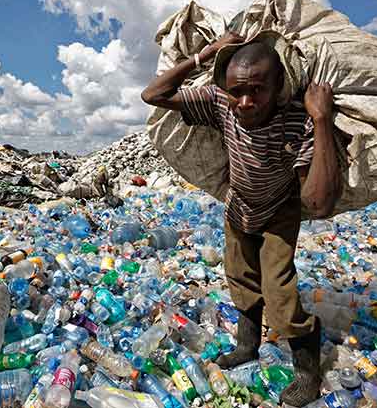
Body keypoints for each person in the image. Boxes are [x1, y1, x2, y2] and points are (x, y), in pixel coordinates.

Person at [141, 32, 342, 406]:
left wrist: (322, 119)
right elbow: (153, 95)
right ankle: (246, 347)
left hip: (279, 211)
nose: (246, 102)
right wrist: (206, 55)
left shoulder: (297, 119)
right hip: (238, 207)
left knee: (279, 293)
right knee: (240, 278)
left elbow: (317, 202)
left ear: (279, 84)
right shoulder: (220, 104)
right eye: (237, 91)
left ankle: (307, 368)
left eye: (257, 90)